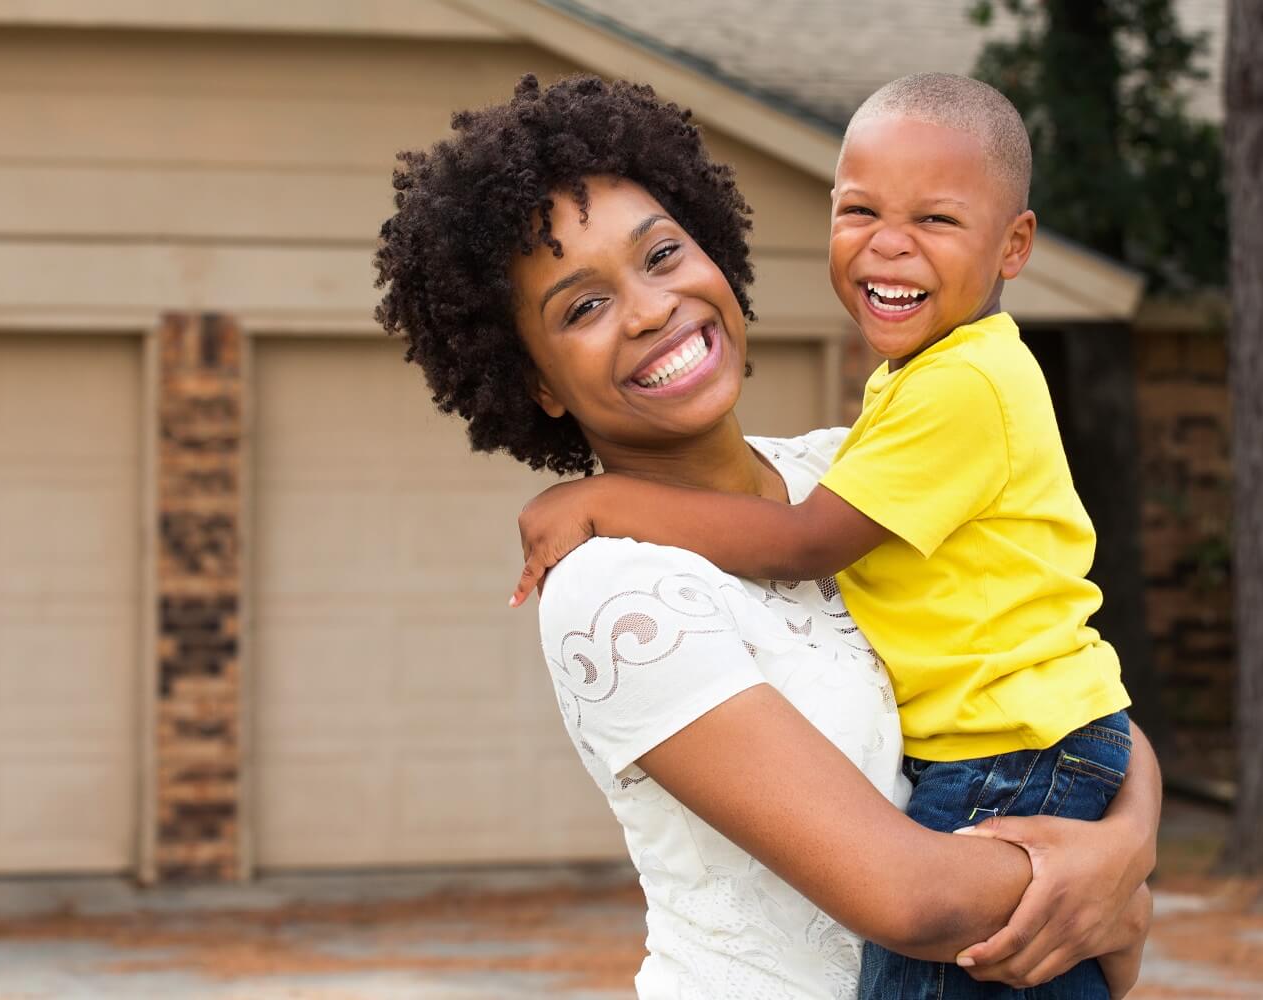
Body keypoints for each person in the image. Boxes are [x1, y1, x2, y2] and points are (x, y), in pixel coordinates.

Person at [375, 74, 1157, 1000]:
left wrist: (1127, 846)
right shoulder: (611, 592)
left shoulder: (843, 473)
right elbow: (910, 898)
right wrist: (1102, 888)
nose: (652, 308)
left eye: (662, 254)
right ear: (535, 382)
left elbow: (1061, 668)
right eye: (582, 308)